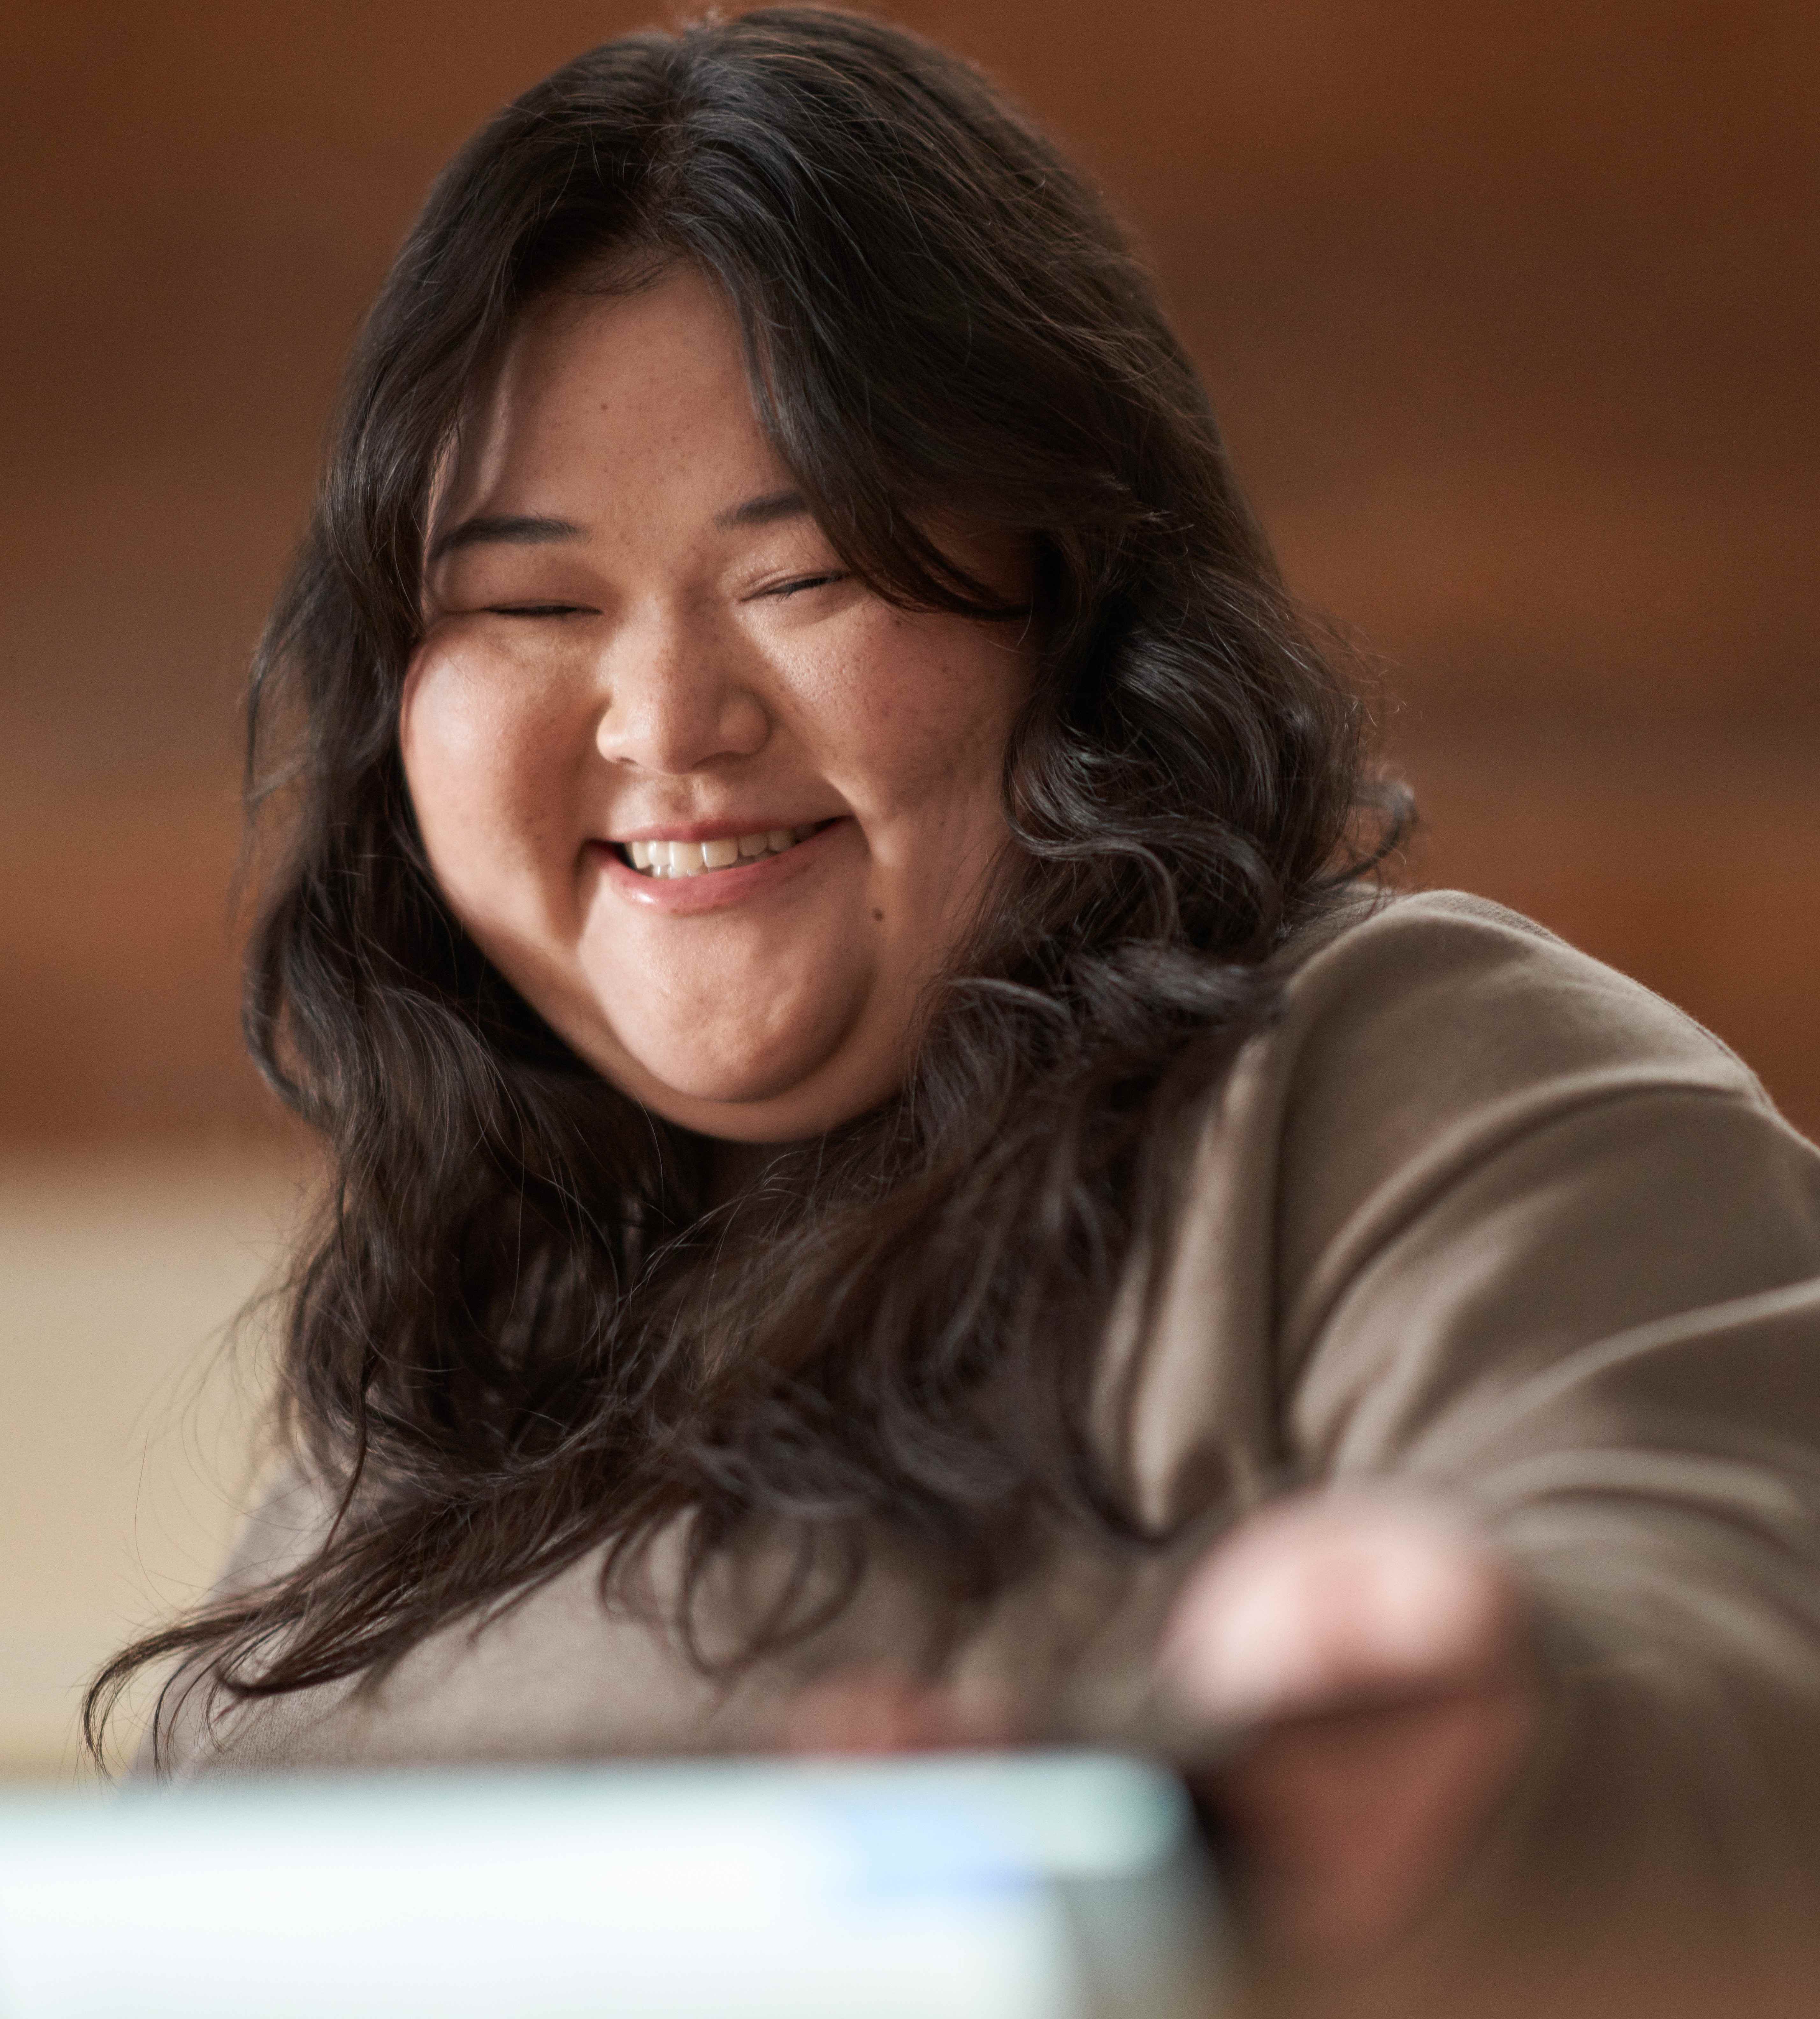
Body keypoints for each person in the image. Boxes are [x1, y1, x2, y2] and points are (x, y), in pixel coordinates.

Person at [90, 6, 1820, 1996]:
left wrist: (1489, 1725)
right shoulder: (455, 1335)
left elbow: (1738, 1619)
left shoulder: (1409, 1070)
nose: (666, 723)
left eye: (806, 574)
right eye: (531, 605)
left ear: (1076, 602)